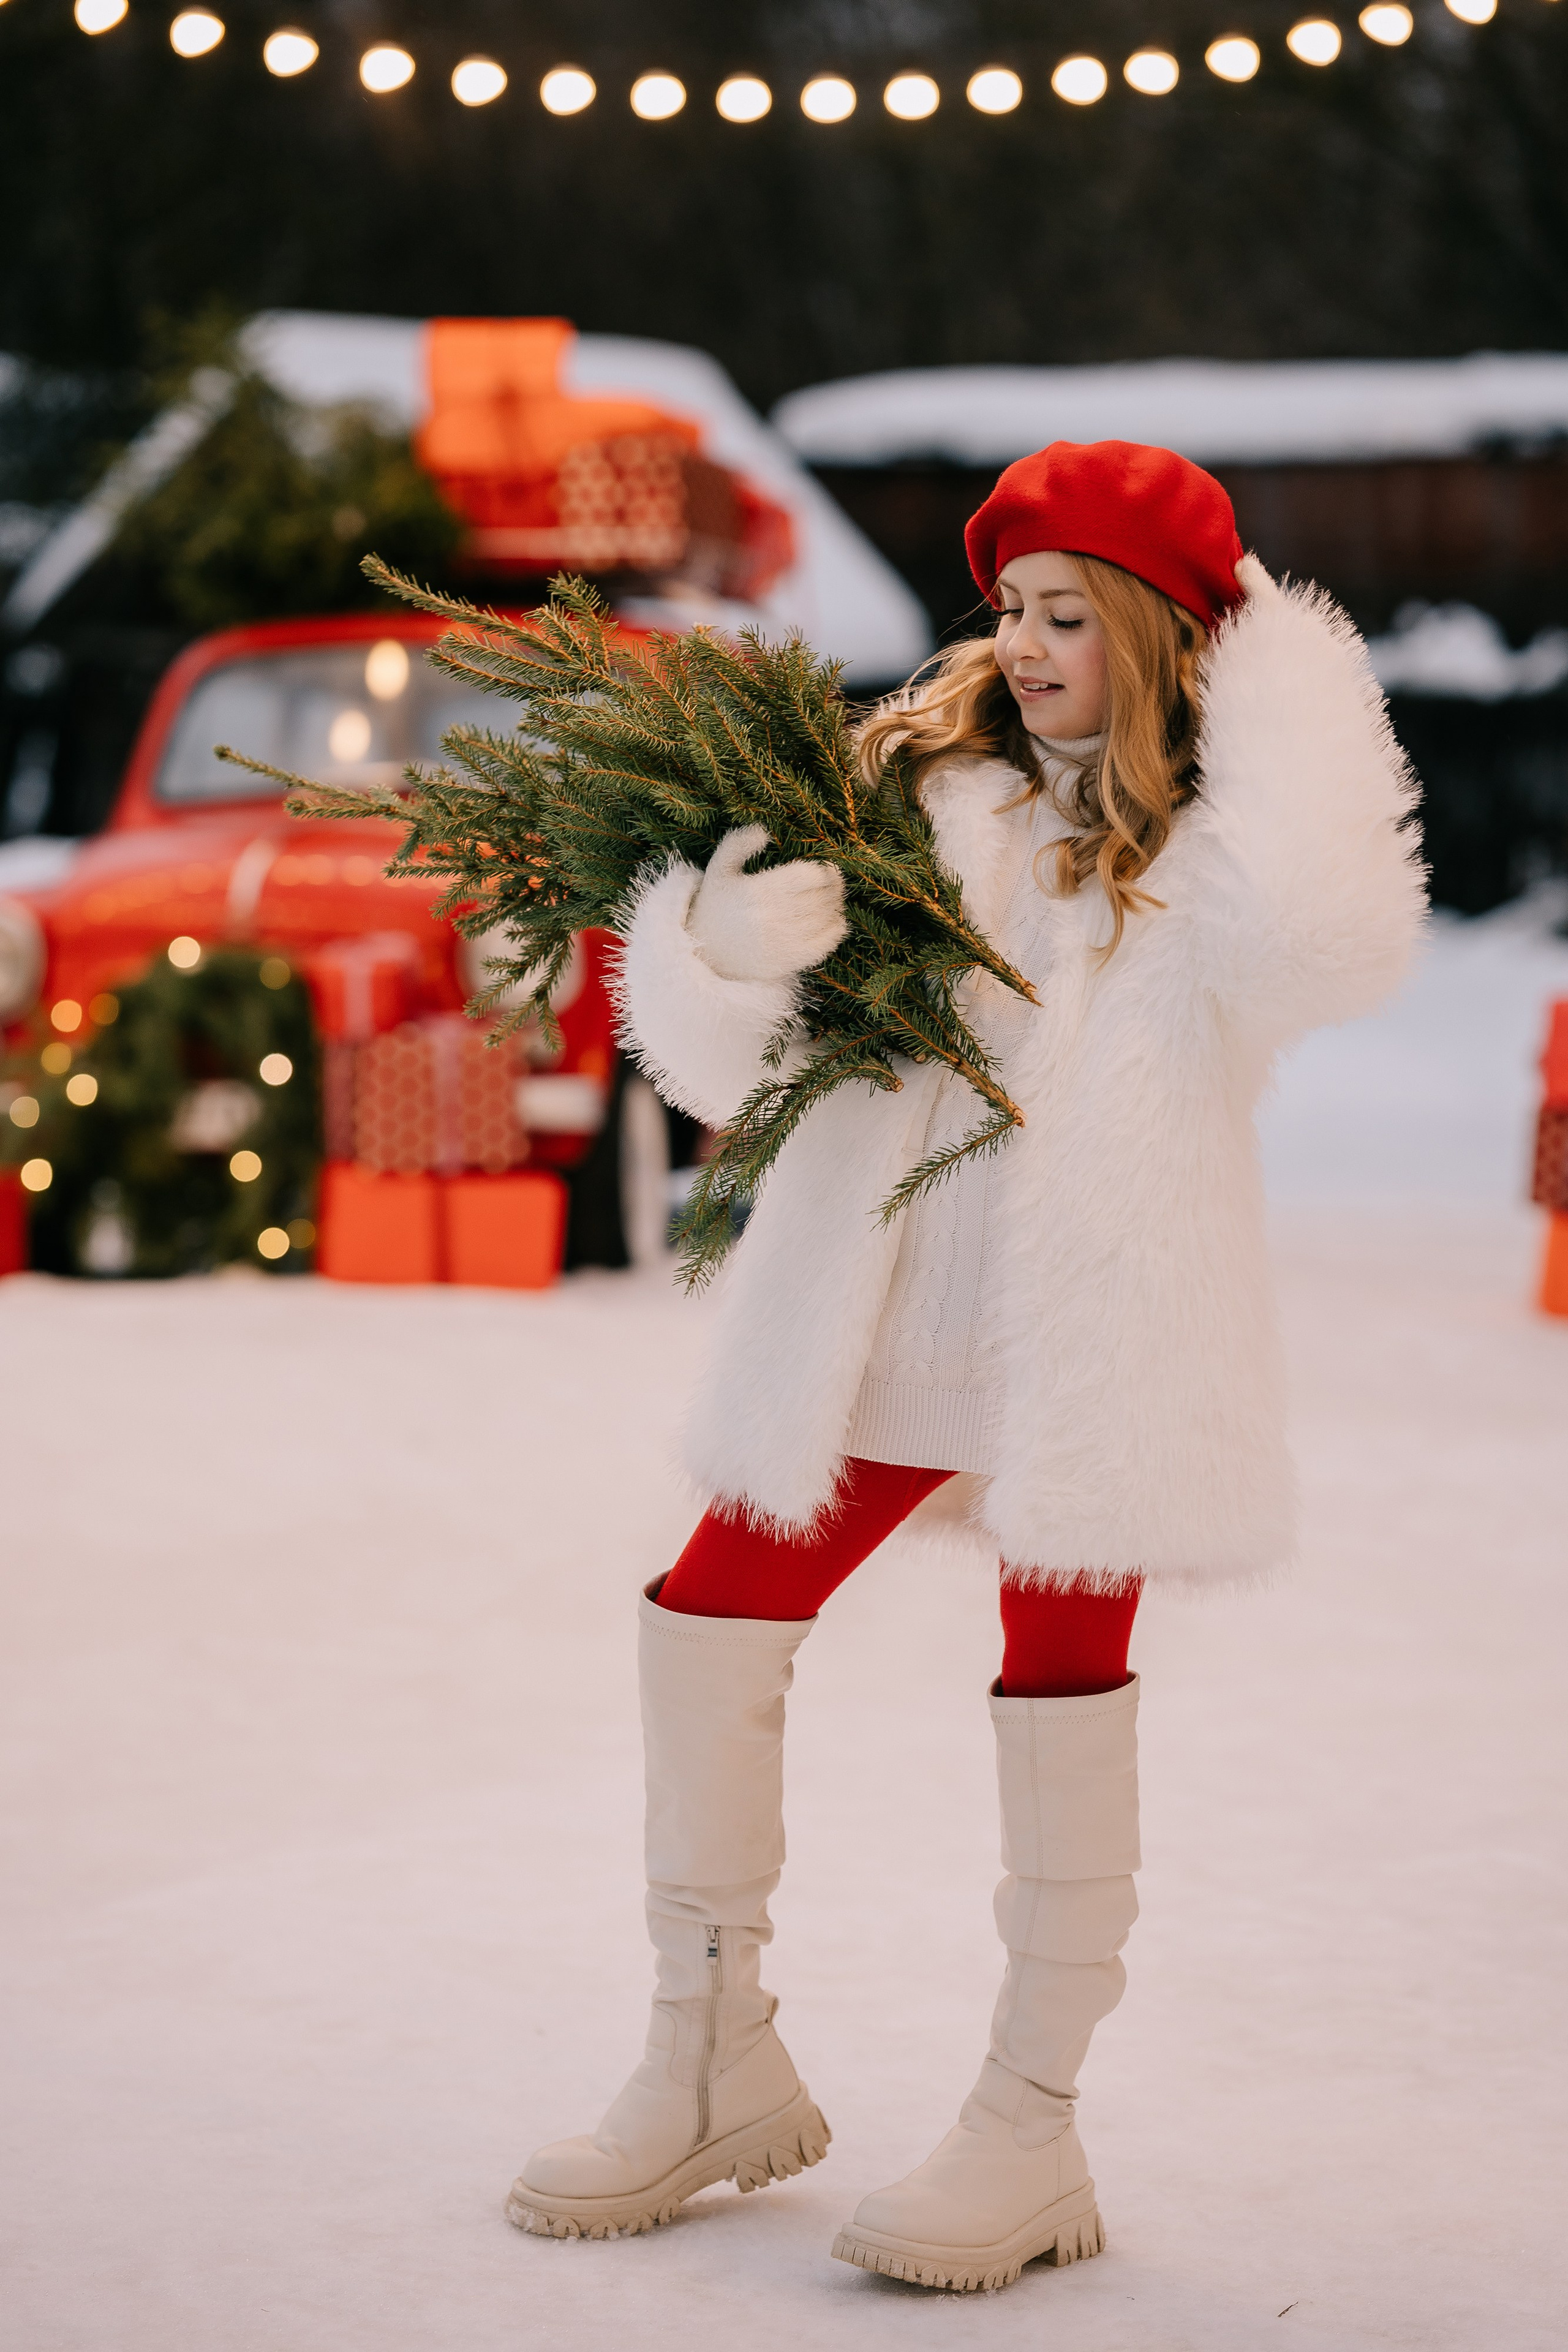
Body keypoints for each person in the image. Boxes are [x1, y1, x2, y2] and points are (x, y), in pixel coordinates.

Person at [505, 442, 1426, 2291]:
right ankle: (711, 2056)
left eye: (1068, 613)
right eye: (1007, 607)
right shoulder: (918, 786)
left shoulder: (1226, 849)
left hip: (1095, 1336)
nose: (1019, 643)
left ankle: (1031, 2123)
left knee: (1064, 1678)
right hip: (893, 1310)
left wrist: (1279, 664)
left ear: (1167, 636)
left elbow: (1346, 940)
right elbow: (728, 1060)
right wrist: (717, 943)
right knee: (711, 1612)